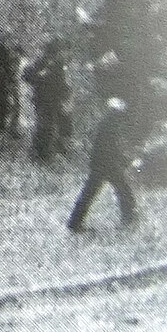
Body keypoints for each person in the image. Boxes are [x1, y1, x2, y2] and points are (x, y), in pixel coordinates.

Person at [66, 97, 138, 233]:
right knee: (123, 191)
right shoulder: (111, 126)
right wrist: (125, 160)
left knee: (89, 194)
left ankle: (74, 222)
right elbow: (113, 148)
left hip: (99, 164)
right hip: (107, 165)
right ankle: (130, 218)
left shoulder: (106, 123)